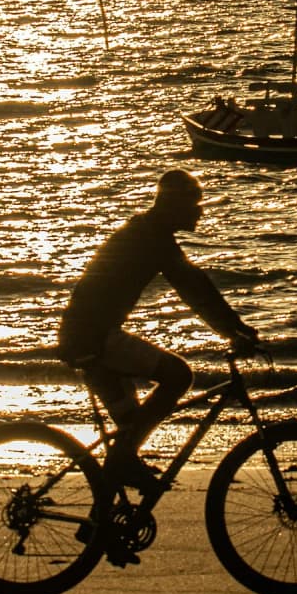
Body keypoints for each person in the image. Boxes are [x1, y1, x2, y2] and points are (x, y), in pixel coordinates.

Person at [57, 169, 257, 486]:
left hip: (85, 335)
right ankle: (123, 464)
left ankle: (103, 524)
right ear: (173, 205)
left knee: (128, 433)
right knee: (179, 375)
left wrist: (232, 327)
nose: (200, 210)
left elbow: (195, 287)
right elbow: (195, 288)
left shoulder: (147, 231)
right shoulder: (152, 238)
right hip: (93, 338)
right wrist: (235, 329)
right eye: (194, 203)